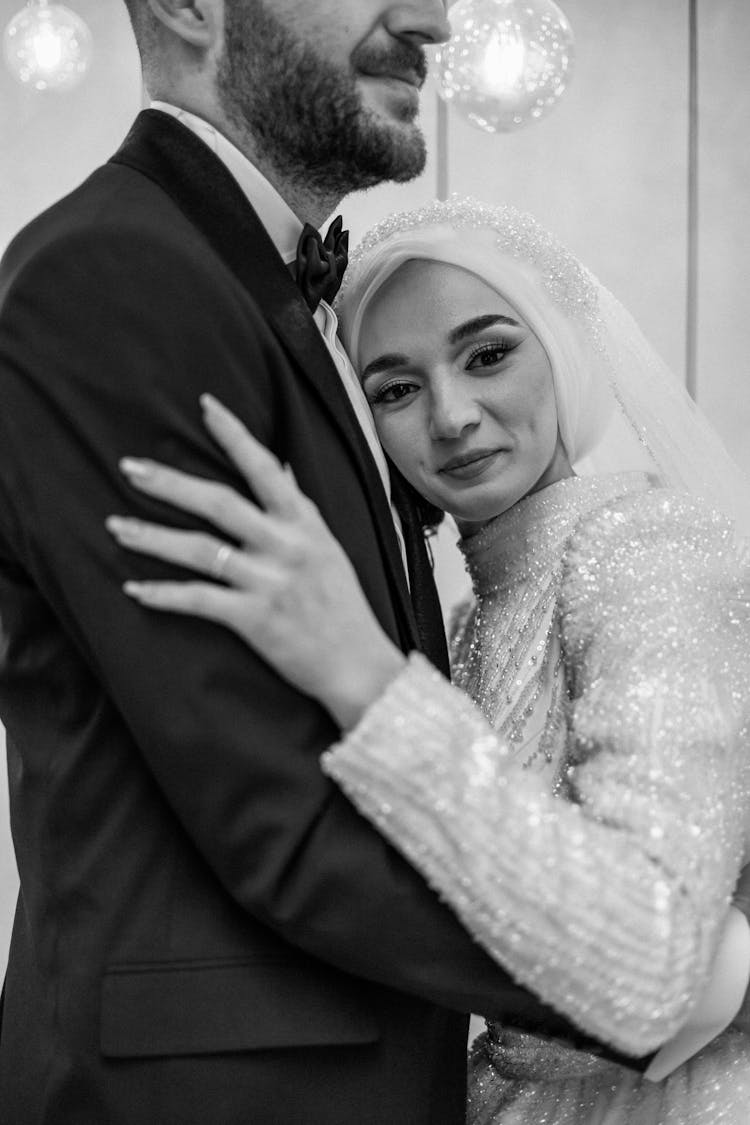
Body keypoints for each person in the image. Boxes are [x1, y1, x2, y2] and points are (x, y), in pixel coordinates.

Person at [0, 2, 646, 1121]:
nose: (431, 18)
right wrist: (658, 973)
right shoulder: (117, 271)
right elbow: (278, 800)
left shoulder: (277, 293)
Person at [106, 198, 750, 1123]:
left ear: (564, 350)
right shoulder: (464, 618)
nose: (452, 417)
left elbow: (658, 948)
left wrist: (361, 679)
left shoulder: (646, 546)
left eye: (489, 354)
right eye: (395, 389)